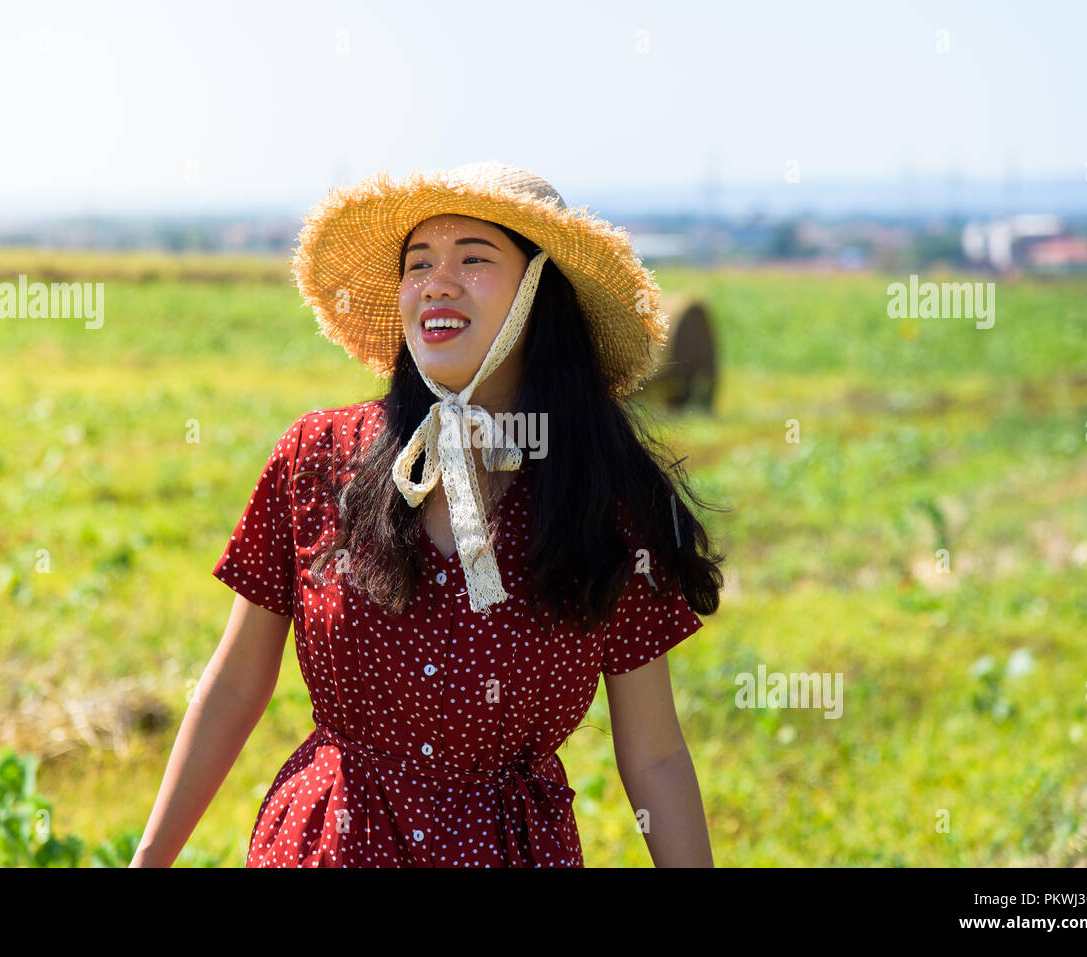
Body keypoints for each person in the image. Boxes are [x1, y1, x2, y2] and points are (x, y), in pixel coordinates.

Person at [131, 162, 727, 868]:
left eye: (474, 258)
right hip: (327, 848)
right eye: (419, 263)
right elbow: (233, 683)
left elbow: (655, 755)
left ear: (541, 293)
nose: (437, 281)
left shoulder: (605, 503)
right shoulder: (317, 456)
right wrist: (148, 859)